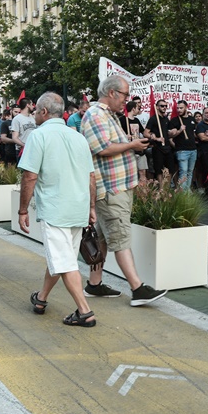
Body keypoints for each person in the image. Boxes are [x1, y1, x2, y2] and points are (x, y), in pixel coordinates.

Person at [80, 75, 167, 306]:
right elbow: (102, 148)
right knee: (120, 237)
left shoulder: (107, 115)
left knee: (102, 239)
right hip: (111, 188)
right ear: (112, 93)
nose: (127, 100)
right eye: (125, 95)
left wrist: (132, 143)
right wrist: (132, 145)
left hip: (116, 186)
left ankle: (94, 284)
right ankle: (137, 289)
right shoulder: (96, 115)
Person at [19, 92, 98, 327]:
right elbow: (91, 176)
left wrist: (23, 210)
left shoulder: (39, 135)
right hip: (78, 207)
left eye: (35, 110)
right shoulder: (77, 137)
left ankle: (85, 312)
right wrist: (91, 207)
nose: (34, 114)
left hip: (55, 209)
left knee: (64, 262)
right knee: (61, 257)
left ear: (44, 112)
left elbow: (30, 176)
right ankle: (41, 299)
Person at [144, 100, 177, 181]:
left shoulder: (166, 119)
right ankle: (161, 190)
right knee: (159, 171)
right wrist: (156, 138)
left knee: (170, 170)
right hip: (158, 148)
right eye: (162, 106)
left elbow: (169, 133)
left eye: (166, 106)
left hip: (167, 147)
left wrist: (174, 131)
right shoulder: (153, 119)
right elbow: (145, 133)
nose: (164, 107)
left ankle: (166, 190)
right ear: (157, 107)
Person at [169, 100, 197, 190]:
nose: (179, 110)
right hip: (182, 150)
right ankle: (183, 193)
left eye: (181, 108)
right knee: (183, 171)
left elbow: (193, 133)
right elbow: (170, 135)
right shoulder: (174, 121)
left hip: (193, 149)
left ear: (186, 107)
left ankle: (187, 191)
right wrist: (180, 130)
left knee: (190, 171)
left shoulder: (192, 120)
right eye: (178, 108)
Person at [119, 100, 148, 181]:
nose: (139, 110)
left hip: (139, 150)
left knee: (142, 172)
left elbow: (143, 132)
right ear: (133, 109)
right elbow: (117, 135)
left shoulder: (137, 120)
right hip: (129, 151)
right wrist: (125, 136)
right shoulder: (121, 120)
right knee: (132, 175)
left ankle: (143, 192)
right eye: (137, 108)